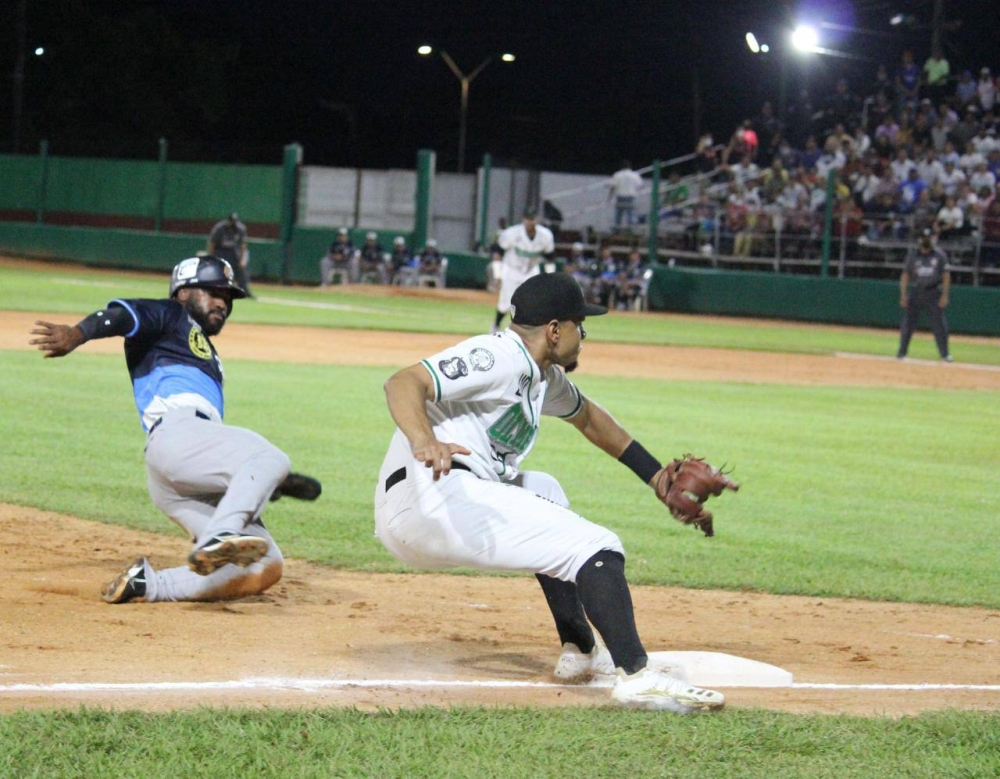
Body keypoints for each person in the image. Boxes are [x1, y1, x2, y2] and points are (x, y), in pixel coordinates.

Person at [374, 272, 728, 713]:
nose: (584, 336)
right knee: (597, 544)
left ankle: (578, 648)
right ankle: (637, 676)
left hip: (445, 501)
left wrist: (656, 477)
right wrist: (423, 439)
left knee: (545, 491)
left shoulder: (541, 376)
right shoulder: (497, 355)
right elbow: (403, 382)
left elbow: (591, 419)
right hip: (431, 499)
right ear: (554, 330)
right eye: (580, 324)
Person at [28, 256, 322, 603]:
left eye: (227, 298)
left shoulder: (205, 349)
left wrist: (269, 483)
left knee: (267, 565)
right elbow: (122, 315)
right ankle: (220, 534)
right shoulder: (168, 315)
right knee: (269, 455)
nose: (222, 303)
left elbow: (215, 450)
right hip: (177, 435)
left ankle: (149, 584)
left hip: (179, 473)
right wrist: (78, 333)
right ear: (183, 292)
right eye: (213, 292)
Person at [491, 208, 555, 333]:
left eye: (533, 218)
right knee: (506, 304)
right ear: (523, 219)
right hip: (511, 270)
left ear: (537, 219)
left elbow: (550, 257)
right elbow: (497, 253)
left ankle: (526, 332)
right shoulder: (511, 233)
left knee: (533, 303)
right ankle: (495, 326)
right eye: (528, 219)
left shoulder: (546, 235)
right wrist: (497, 275)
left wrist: (551, 277)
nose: (530, 222)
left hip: (531, 271)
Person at [897, 231, 952, 361]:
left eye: (929, 238)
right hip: (917, 290)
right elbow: (905, 275)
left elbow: (946, 276)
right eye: (924, 238)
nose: (927, 241)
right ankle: (901, 353)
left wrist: (945, 295)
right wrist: (903, 294)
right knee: (908, 324)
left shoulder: (939, 255)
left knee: (939, 325)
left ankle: (945, 354)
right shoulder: (913, 254)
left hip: (933, 291)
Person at [207, 212, 251, 298]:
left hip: (233, 251)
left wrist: (242, 260)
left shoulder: (240, 228)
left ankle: (244, 290)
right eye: (231, 221)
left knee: (241, 270)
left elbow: (243, 246)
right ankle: (213, 288)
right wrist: (211, 257)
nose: (232, 224)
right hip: (220, 251)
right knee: (218, 270)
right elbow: (212, 243)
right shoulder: (220, 228)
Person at [608, 161, 644, 229]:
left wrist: (609, 198)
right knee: (631, 214)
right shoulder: (634, 174)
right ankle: (630, 229)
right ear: (630, 167)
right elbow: (641, 185)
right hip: (630, 196)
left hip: (620, 196)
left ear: (621, 167)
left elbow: (613, 186)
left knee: (618, 214)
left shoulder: (617, 174)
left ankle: (617, 229)